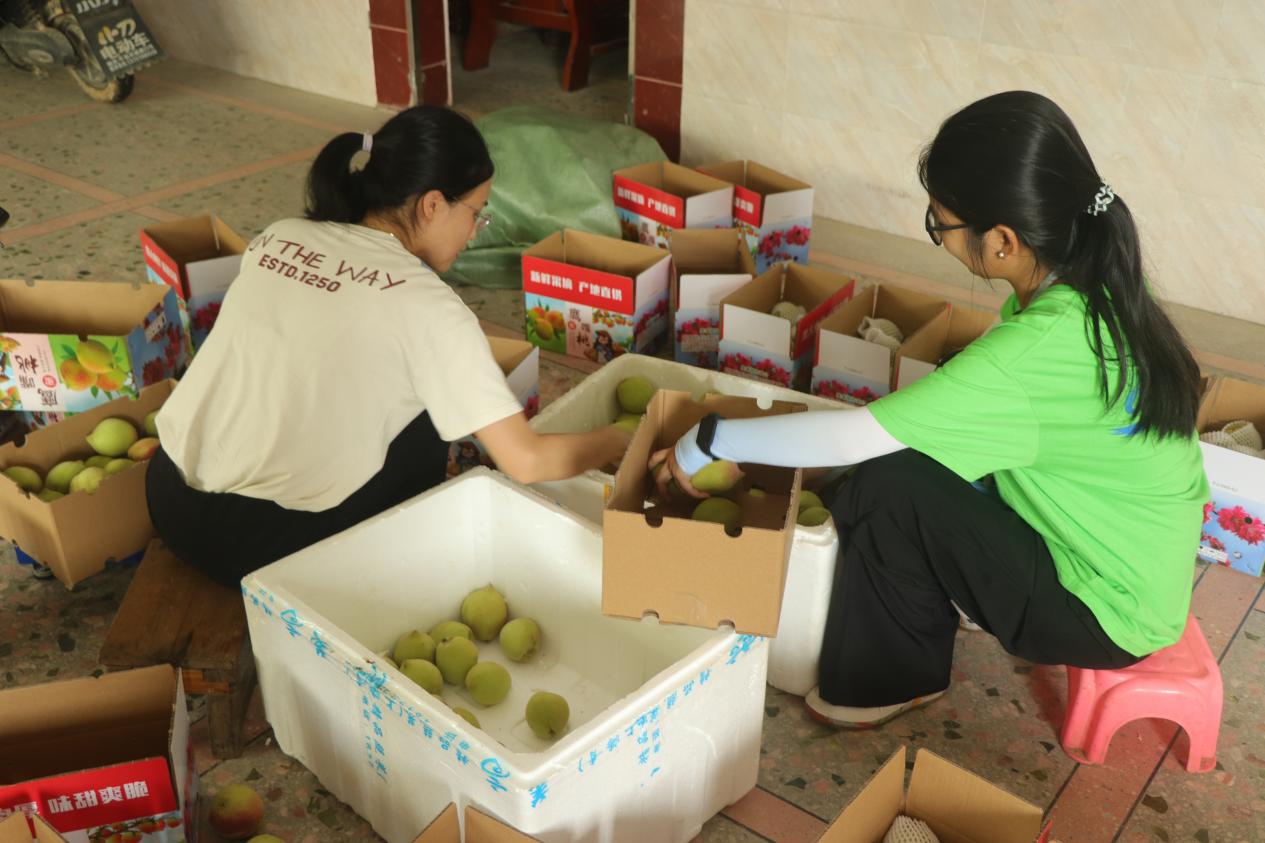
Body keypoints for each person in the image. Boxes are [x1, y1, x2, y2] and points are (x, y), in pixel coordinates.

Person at [650, 91, 1209, 728]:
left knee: (886, 487)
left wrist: (709, 440)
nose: (938, 235)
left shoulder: (1034, 350)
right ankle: (944, 595)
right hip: (1135, 563)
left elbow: (853, 441)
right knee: (913, 446)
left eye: (939, 223)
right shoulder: (1096, 280)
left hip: (1103, 610)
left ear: (1002, 240)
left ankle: (889, 682)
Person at [147, 106, 630, 587]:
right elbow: (526, 461)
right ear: (432, 204)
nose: (473, 232)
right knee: (430, 412)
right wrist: (622, 440)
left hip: (168, 497)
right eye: (476, 214)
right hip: (261, 547)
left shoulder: (280, 236)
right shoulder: (430, 307)